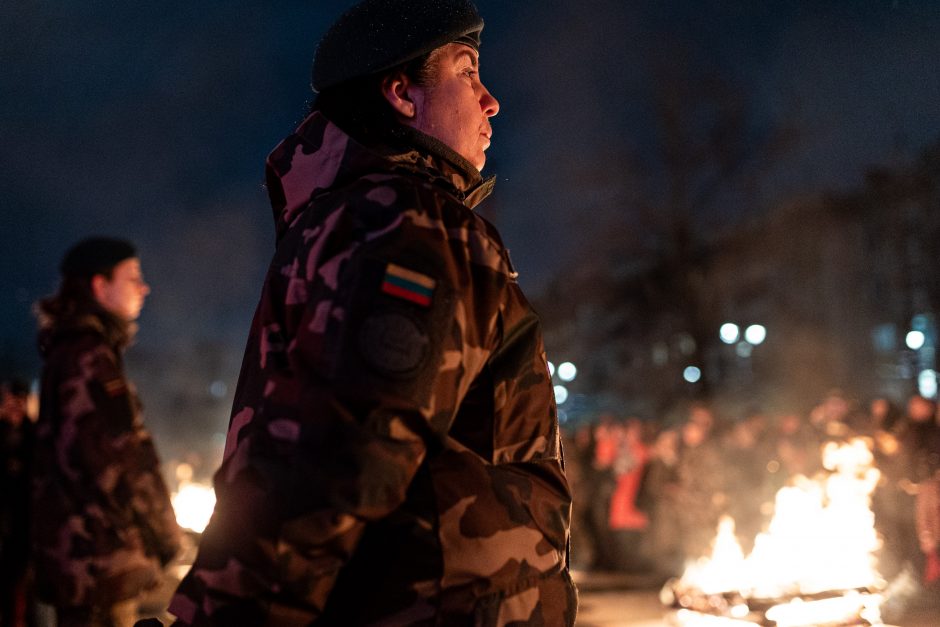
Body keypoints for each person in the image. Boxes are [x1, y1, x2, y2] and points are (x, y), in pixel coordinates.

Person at [168, 1, 576, 625]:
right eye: (467, 72)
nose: (491, 101)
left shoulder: (348, 222)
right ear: (401, 94)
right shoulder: (411, 222)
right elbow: (349, 449)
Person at [32, 237, 181, 627]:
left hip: (79, 557)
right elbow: (121, 460)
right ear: (100, 286)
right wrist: (167, 534)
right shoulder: (89, 357)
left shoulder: (68, 352)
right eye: (132, 277)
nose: (143, 287)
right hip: (99, 559)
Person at [0, 378, 35, 627]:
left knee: (22, 592)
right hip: (5, 521)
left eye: (21, 400)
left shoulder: (34, 434)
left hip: (26, 524)